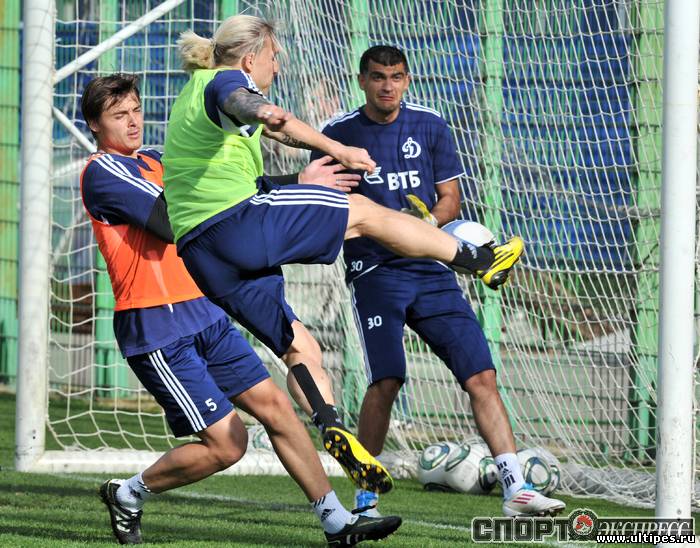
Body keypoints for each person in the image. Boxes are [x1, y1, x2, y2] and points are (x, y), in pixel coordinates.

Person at [160, 14, 511, 499]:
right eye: (275, 57)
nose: (278, 66)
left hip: (204, 255)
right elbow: (267, 115)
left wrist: (296, 178)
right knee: (363, 212)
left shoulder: (192, 95)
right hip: (236, 224)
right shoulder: (226, 83)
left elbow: (269, 135)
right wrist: (337, 149)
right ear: (250, 58)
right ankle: (476, 259)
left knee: (300, 347)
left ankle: (331, 427)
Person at [80, 74, 402, 546]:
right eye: (118, 115)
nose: (132, 122)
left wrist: (297, 182)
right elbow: (174, 222)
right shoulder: (102, 171)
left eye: (135, 111)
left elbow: (228, 199)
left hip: (205, 313)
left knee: (279, 409)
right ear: (94, 124)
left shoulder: (157, 159)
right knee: (228, 446)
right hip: (157, 328)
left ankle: (336, 521)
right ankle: (128, 493)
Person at [310, 45, 566, 519]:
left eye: (397, 77)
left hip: (432, 268)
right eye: (378, 77)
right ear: (362, 80)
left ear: (407, 80)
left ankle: (516, 489)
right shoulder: (338, 134)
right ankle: (365, 500)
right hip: (375, 273)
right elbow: (322, 200)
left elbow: (450, 198)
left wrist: (426, 221)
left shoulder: (430, 124)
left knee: (482, 376)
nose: (388, 85)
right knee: (387, 380)